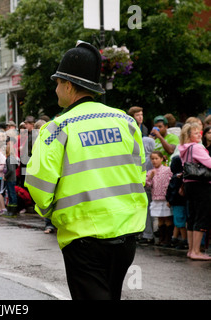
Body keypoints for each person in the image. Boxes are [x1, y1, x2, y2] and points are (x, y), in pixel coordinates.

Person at [25, 41, 147, 300]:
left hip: (84, 239)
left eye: (57, 82)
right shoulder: (126, 122)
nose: (56, 88)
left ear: (69, 86)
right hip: (126, 235)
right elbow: (139, 173)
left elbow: (37, 184)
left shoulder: (57, 128)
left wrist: (52, 214)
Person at [178, 122, 211, 260]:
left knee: (192, 216)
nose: (199, 135)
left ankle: (191, 249)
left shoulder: (183, 148)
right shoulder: (197, 147)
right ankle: (196, 251)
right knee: (201, 215)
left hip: (189, 184)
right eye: (196, 133)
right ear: (189, 135)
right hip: (201, 184)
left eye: (200, 132)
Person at [145, 151, 173, 246]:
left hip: (165, 198)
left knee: (167, 218)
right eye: (152, 159)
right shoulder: (150, 172)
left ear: (161, 159)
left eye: (156, 158)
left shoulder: (167, 170)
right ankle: (161, 239)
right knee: (160, 219)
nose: (154, 161)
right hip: (156, 198)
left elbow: (171, 182)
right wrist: (150, 177)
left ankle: (168, 239)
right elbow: (147, 185)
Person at [166, 156, 188, 250]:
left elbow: (174, 191)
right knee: (177, 221)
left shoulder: (176, 177)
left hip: (177, 203)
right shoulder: (182, 176)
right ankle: (174, 238)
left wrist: (170, 201)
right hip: (181, 202)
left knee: (180, 221)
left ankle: (184, 240)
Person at [138, 137, 156, 245]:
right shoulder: (151, 158)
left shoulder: (140, 158)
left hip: (141, 187)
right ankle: (148, 233)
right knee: (150, 212)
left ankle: (145, 233)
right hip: (150, 188)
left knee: (145, 212)